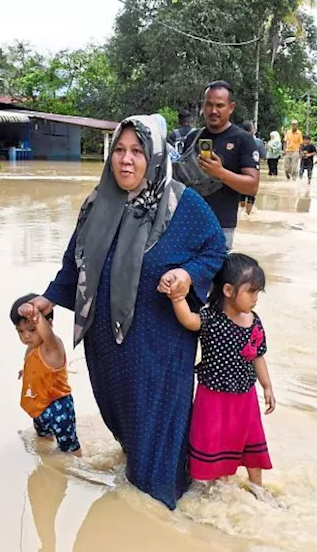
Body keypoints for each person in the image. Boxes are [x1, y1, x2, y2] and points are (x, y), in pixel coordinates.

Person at [27, 114, 227, 510]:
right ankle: (141, 486)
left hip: (159, 342)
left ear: (153, 156)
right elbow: (75, 262)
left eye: (137, 151)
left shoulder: (181, 202)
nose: (126, 160)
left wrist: (188, 275)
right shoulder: (95, 202)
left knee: (157, 430)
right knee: (125, 422)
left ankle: (163, 509)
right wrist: (49, 298)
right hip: (106, 343)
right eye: (119, 150)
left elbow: (215, 250)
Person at [167, 252, 274, 497]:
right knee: (213, 442)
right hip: (213, 398)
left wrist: (266, 386)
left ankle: (259, 489)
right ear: (228, 290)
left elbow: (258, 355)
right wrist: (177, 298)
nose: (256, 298)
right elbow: (189, 321)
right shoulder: (213, 318)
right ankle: (215, 490)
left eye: (259, 292)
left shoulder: (254, 320)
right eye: (251, 292)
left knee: (251, 444)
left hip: (246, 398)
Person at [12, 294, 81, 457]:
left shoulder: (52, 347)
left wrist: (35, 314)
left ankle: (77, 468)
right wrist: (27, 371)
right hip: (39, 407)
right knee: (43, 441)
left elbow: (47, 335)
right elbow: (38, 365)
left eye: (32, 329)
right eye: (20, 331)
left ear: (48, 323)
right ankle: (47, 461)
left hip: (58, 407)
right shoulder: (31, 347)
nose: (26, 336)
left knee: (70, 449)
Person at [196, 81, 260, 248]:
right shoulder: (193, 138)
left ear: (231, 108)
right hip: (189, 223)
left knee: (220, 273)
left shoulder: (243, 139)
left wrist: (220, 173)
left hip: (221, 225)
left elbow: (252, 186)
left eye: (219, 105)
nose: (213, 110)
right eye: (208, 105)